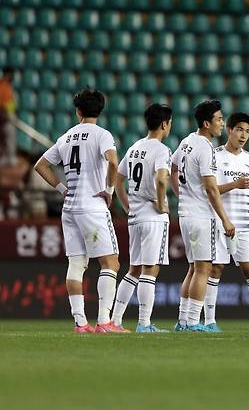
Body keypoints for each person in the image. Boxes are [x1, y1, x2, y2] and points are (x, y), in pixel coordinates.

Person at [33, 89, 125, 333]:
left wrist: (63, 188)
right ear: (100, 110)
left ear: (78, 111)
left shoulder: (66, 137)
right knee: (111, 264)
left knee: (76, 264)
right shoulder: (102, 135)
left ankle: (80, 323)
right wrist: (109, 190)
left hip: (70, 207)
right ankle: (104, 321)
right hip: (92, 206)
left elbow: (40, 165)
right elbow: (114, 161)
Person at [202, 112, 249, 333]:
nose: (244, 135)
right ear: (229, 130)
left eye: (248, 132)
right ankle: (209, 322)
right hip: (219, 222)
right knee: (214, 270)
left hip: (244, 225)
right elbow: (211, 190)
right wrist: (235, 184)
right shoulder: (214, 155)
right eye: (240, 130)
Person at [171, 99, 235, 332]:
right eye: (218, 119)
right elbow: (211, 188)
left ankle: (183, 320)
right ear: (207, 123)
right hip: (201, 216)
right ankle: (192, 322)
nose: (222, 123)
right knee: (203, 269)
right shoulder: (206, 148)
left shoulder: (187, 141)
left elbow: (173, 168)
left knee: (193, 267)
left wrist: (182, 194)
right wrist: (225, 219)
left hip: (186, 214)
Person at [110, 104, 173, 333]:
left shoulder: (135, 147)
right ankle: (144, 323)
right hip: (153, 218)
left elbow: (118, 178)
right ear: (165, 124)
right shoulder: (162, 150)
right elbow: (161, 180)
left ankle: (115, 320)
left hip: (135, 216)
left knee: (134, 269)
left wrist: (126, 205)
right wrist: (160, 202)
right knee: (150, 269)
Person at [0, 67, 17, 165]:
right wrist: (9, 115)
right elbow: (5, 104)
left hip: (7, 115)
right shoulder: (3, 85)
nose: (12, 77)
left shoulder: (7, 85)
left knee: (8, 137)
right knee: (7, 137)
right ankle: (8, 158)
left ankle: (9, 157)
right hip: (5, 116)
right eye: (11, 74)